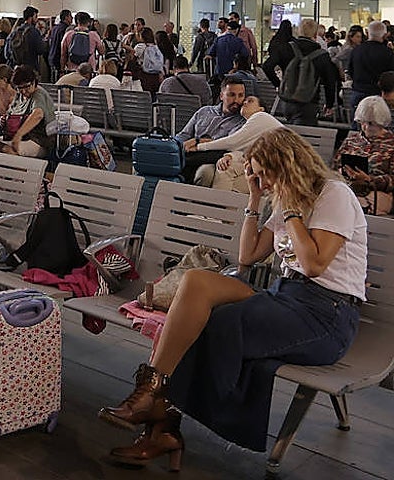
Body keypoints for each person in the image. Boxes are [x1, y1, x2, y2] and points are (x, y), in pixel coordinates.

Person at [100, 128, 366, 466]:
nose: (261, 182)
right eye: (254, 175)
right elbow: (247, 256)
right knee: (196, 284)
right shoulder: (283, 200)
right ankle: (153, 391)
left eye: (262, 174)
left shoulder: (333, 194)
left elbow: (314, 265)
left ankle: (160, 424)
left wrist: (291, 211)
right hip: (285, 296)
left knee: (214, 322)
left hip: (327, 314)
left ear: (284, 165)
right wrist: (254, 201)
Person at [192, 95, 283, 187]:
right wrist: (230, 156)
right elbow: (245, 151)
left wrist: (199, 146)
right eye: (244, 101)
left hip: (281, 167)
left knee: (226, 168)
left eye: (250, 101)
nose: (244, 102)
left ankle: (217, 200)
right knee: (226, 171)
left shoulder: (261, 116)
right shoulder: (253, 125)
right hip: (269, 166)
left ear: (261, 109)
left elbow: (233, 142)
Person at [173, 78, 247, 183]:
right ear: (221, 96)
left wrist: (197, 141)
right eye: (231, 95)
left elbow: (227, 144)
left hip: (212, 158)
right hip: (191, 152)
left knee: (204, 172)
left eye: (241, 95)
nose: (236, 100)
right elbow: (183, 135)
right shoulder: (204, 112)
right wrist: (175, 145)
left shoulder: (242, 121)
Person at [333, 96, 394, 215]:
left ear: (381, 122)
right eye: (362, 122)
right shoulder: (352, 140)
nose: (365, 127)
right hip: (349, 189)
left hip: (377, 193)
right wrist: (341, 172)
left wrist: (369, 180)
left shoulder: (391, 144)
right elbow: (334, 167)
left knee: (353, 206)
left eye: (371, 123)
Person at [279, 19, 340, 126]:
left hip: (286, 101)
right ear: (316, 34)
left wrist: (278, 84)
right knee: (305, 138)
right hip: (308, 103)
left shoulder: (287, 48)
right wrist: (329, 104)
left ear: (298, 31)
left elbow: (268, 66)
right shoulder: (322, 55)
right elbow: (330, 82)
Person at [0, 65, 55, 158]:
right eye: (20, 88)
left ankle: (22, 172)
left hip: (39, 141)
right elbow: (11, 113)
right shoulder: (19, 95)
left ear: (33, 82)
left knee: (7, 150)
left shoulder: (38, 94)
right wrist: (4, 120)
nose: (23, 91)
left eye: (26, 87)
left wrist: (19, 135)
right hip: (20, 138)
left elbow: (38, 114)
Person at [347, 21, 394, 112]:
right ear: (385, 35)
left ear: (368, 33)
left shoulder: (356, 50)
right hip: (379, 95)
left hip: (358, 92)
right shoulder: (388, 53)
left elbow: (350, 71)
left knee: (357, 123)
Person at [131, 27, 166, 96]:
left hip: (144, 74)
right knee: (154, 95)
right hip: (156, 75)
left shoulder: (140, 46)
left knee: (145, 95)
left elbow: (133, 58)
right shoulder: (156, 47)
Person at [261, 20, 295, 87]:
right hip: (295, 81)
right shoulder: (293, 44)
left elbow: (267, 66)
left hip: (284, 81)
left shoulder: (275, 42)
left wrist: (277, 83)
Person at [47, 9, 73, 81]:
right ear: (66, 17)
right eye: (70, 16)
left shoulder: (54, 28)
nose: (72, 18)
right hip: (59, 58)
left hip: (51, 57)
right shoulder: (66, 29)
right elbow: (63, 47)